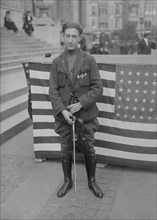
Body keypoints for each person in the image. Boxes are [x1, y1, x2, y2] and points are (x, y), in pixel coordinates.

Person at [49, 22, 104, 198]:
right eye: (67, 36)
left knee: (88, 148)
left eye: (74, 36)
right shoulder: (57, 62)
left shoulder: (89, 59)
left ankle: (92, 181)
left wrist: (81, 103)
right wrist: (62, 111)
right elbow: (53, 90)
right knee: (65, 149)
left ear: (80, 38)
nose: (70, 40)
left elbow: (98, 88)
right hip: (64, 117)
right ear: (62, 37)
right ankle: (67, 181)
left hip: (85, 116)